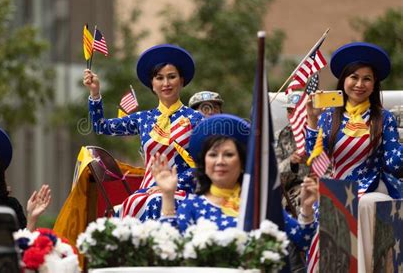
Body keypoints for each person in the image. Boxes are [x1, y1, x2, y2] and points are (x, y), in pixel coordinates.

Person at [153, 114, 318, 255]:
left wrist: (307, 209)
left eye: (229, 154)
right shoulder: (192, 206)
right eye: (212, 155)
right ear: (204, 163)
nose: (220, 161)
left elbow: (304, 240)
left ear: (242, 163)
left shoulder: (261, 205)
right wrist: (167, 195)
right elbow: (170, 250)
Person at [305, 42, 403, 272]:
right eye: (354, 77)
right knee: (334, 219)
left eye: (367, 79)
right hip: (337, 191)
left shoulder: (383, 118)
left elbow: (394, 164)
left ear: (374, 84)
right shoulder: (329, 116)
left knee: (366, 204)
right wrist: (311, 121)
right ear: (344, 81)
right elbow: (316, 162)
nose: (360, 84)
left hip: (372, 188)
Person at [83, 44, 204, 220]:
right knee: (125, 208)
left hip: (182, 191)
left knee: (155, 202)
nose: (166, 83)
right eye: (159, 78)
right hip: (147, 190)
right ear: (152, 85)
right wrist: (95, 94)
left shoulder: (197, 120)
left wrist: (173, 183)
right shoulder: (144, 118)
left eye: (172, 77)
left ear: (182, 81)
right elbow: (101, 126)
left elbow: (203, 165)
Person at [276, 92, 310, 214]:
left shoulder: (324, 130)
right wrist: (291, 162)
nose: (294, 116)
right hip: (295, 189)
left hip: (323, 186)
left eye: (299, 111)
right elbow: (276, 176)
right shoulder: (283, 135)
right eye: (290, 111)